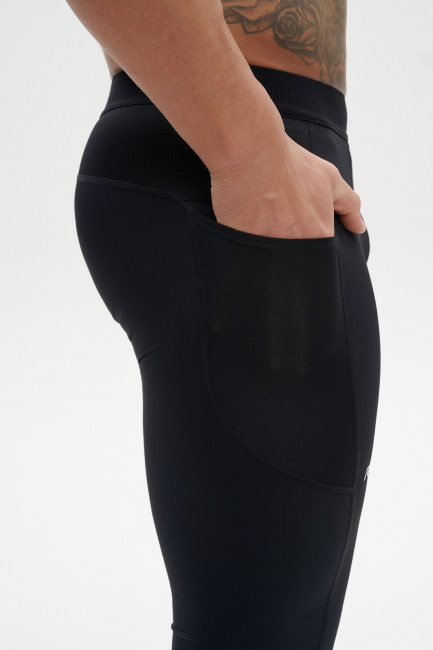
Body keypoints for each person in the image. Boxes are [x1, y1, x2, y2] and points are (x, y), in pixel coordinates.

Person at [65, 1, 381, 648]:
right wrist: (253, 156)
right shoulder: (248, 161)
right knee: (264, 630)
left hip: (241, 159)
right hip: (224, 168)